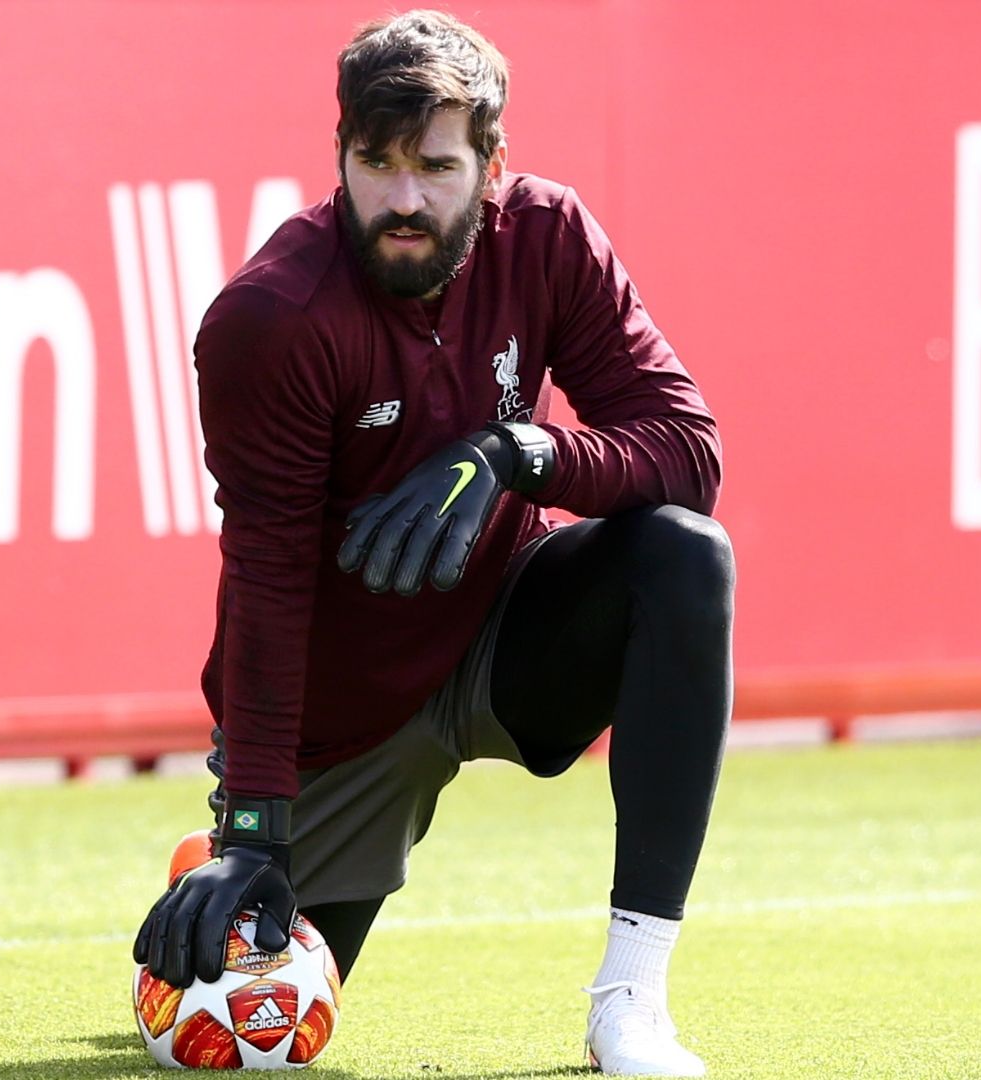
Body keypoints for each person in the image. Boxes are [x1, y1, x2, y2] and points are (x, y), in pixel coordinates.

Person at [132, 9, 733, 1076]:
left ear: (493, 165)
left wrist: (524, 454)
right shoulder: (270, 320)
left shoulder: (547, 236)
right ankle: (213, 852)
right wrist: (258, 830)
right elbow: (263, 576)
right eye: (376, 163)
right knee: (256, 1034)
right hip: (342, 712)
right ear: (341, 157)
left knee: (683, 556)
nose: (403, 199)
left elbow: (688, 452)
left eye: (435, 166)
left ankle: (630, 1004)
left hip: (505, 634)